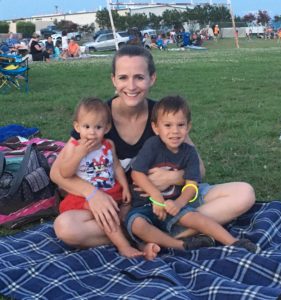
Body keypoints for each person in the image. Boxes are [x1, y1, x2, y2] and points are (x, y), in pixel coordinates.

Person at [50, 45, 256, 260]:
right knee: (66, 228)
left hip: (170, 199)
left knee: (244, 193)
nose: (131, 86)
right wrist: (93, 194)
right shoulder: (96, 117)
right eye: (123, 77)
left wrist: (174, 177)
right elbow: (57, 173)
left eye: (139, 77)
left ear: (152, 78)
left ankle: (156, 235)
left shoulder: (164, 115)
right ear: (113, 80)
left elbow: (199, 167)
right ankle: (166, 234)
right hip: (122, 206)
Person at [125, 95, 257, 253]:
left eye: (180, 125)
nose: (175, 131)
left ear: (188, 127)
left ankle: (234, 242)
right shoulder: (152, 146)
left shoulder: (189, 153)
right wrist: (156, 197)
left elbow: (192, 186)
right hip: (145, 205)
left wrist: (179, 204)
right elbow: (136, 174)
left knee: (195, 217)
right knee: (136, 225)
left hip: (173, 204)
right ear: (155, 128)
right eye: (168, 125)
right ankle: (180, 245)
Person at [57, 97, 143, 258]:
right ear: (77, 127)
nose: (91, 132)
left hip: (111, 191)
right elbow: (64, 172)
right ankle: (124, 245)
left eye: (97, 127)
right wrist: (79, 154)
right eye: (86, 126)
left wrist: (125, 186)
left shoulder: (108, 144)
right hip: (84, 198)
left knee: (125, 208)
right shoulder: (75, 147)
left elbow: (116, 166)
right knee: (106, 213)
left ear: (106, 127)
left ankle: (136, 232)